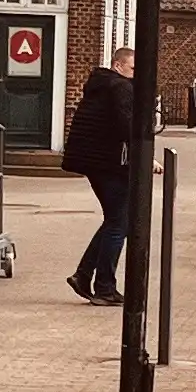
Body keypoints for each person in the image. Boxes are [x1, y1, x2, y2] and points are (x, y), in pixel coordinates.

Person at [61, 47, 136, 305]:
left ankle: (83, 276)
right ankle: (104, 287)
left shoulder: (100, 85)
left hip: (94, 162)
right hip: (109, 163)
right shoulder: (120, 88)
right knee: (119, 223)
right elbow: (127, 127)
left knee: (114, 221)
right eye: (133, 69)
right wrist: (147, 157)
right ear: (118, 65)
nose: (136, 75)